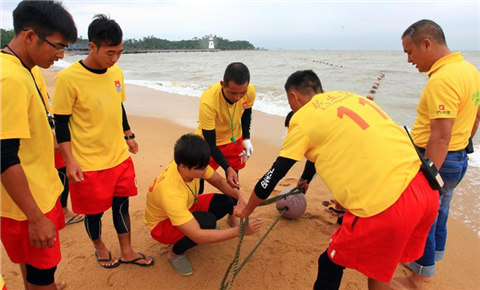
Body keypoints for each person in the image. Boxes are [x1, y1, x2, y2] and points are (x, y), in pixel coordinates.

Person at [234, 70, 439, 290]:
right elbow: (321, 143)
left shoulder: (303, 117)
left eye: (290, 103)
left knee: (330, 263)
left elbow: (275, 173)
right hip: (426, 187)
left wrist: (247, 210)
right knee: (379, 269)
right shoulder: (351, 97)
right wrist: (306, 178)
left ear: (294, 97)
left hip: (387, 203)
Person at [52, 14, 153, 268]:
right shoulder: (68, 79)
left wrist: (128, 135)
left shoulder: (116, 72)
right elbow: (62, 123)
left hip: (118, 156)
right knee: (94, 212)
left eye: (119, 52)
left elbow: (117, 106)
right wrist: (69, 160)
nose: (115, 58)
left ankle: (127, 251)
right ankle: (99, 247)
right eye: (110, 52)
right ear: (92, 47)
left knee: (122, 206)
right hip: (88, 163)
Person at [393, 19, 480, 288]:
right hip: (457, 158)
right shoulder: (469, 70)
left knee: (424, 216)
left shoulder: (443, 79)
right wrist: (465, 142)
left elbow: (441, 136)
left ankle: (420, 276)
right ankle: (428, 261)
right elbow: (476, 113)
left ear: (427, 44)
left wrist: (428, 174)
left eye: (410, 52)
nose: (409, 60)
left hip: (438, 160)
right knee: (440, 212)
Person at [1, 1, 77, 289]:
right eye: (57, 46)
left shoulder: (28, 67)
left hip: (41, 191)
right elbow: (3, 157)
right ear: (29, 36)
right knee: (42, 273)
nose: (61, 55)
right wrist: (34, 217)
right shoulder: (8, 79)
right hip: (25, 204)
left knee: (34, 268)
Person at [144, 134, 262, 276]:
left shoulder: (191, 162)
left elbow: (219, 182)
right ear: (183, 167)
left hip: (189, 204)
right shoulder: (171, 192)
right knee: (206, 223)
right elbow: (198, 236)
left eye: (205, 166)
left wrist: (240, 197)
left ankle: (204, 227)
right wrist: (241, 231)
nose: (205, 170)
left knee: (228, 201)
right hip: (162, 225)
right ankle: (174, 254)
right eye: (201, 169)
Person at [197, 62, 255, 190]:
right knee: (199, 176)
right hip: (210, 141)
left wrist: (246, 138)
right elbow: (210, 144)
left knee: (234, 179)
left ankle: (234, 206)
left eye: (242, 93)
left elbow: (247, 113)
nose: (238, 97)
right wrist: (226, 167)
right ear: (223, 84)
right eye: (233, 93)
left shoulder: (249, 90)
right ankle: (196, 202)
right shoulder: (209, 101)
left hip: (234, 138)